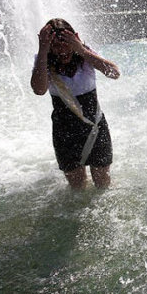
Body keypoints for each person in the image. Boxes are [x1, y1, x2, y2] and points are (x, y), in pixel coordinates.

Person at [31, 19, 120, 190]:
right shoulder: (44, 61)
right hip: (64, 131)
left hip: (95, 126)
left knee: (103, 184)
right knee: (77, 188)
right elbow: (39, 90)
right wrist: (43, 51)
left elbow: (114, 73)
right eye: (55, 45)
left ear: (76, 38)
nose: (62, 50)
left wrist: (81, 49)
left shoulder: (85, 56)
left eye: (66, 44)